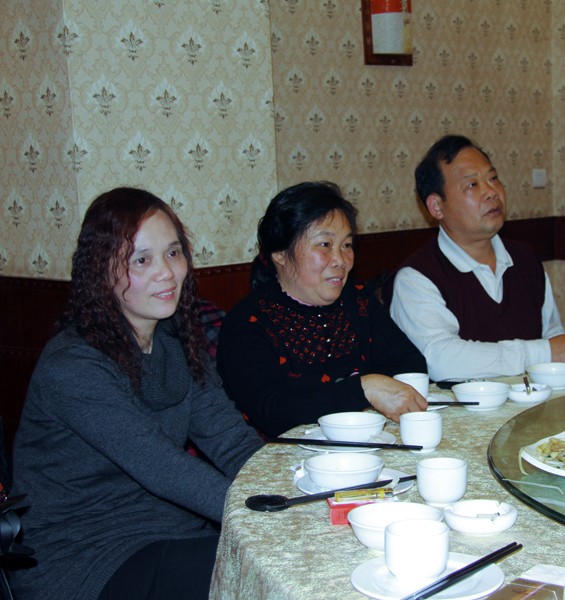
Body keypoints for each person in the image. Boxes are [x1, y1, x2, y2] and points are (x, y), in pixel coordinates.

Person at [11, 188, 263, 600]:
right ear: (101, 270)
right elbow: (164, 469)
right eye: (141, 260)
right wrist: (265, 511)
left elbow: (231, 440)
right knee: (254, 575)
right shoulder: (73, 364)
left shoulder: (176, 343)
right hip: (84, 556)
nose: (166, 272)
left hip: (168, 530)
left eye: (173, 253)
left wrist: (295, 486)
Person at [216, 181, 428, 439]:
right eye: (325, 245)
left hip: (366, 443)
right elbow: (273, 413)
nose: (340, 260)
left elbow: (410, 363)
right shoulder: (248, 323)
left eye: (346, 245)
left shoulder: (358, 300)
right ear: (280, 253)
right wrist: (363, 388)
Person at [386, 134, 565, 381]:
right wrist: (545, 352)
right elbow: (440, 360)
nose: (491, 192)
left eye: (493, 178)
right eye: (472, 185)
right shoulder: (416, 278)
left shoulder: (525, 259)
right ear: (436, 206)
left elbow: (550, 335)